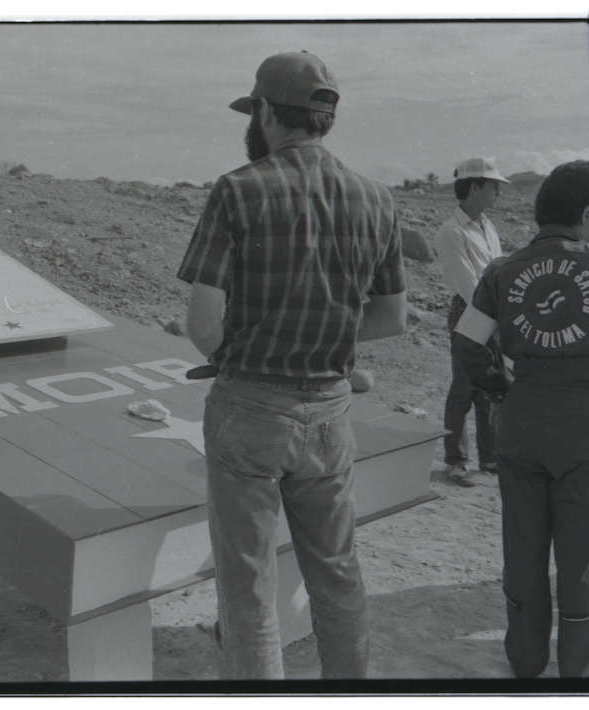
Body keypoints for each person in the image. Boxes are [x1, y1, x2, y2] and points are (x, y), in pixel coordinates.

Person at [177, 51, 407, 680]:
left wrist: (241, 352)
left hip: (250, 406)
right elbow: (391, 318)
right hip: (330, 411)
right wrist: (330, 342)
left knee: (247, 588)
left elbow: (201, 324)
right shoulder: (377, 198)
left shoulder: (238, 188)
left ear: (262, 111)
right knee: (337, 573)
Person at [452, 160, 589, 678]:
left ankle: (527, 660)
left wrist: (499, 390)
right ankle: (578, 671)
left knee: (523, 545)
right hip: (585, 429)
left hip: (522, 422)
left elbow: (468, 341)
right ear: (587, 213)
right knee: (581, 556)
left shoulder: (499, 271)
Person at [433, 158, 510, 487]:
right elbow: (467, 285)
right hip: (470, 312)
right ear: (474, 187)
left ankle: (489, 458)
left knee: (488, 385)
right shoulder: (450, 232)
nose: (498, 192)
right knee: (463, 389)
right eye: (493, 186)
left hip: (492, 311)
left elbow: (499, 269)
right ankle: (456, 461)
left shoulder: (487, 226)